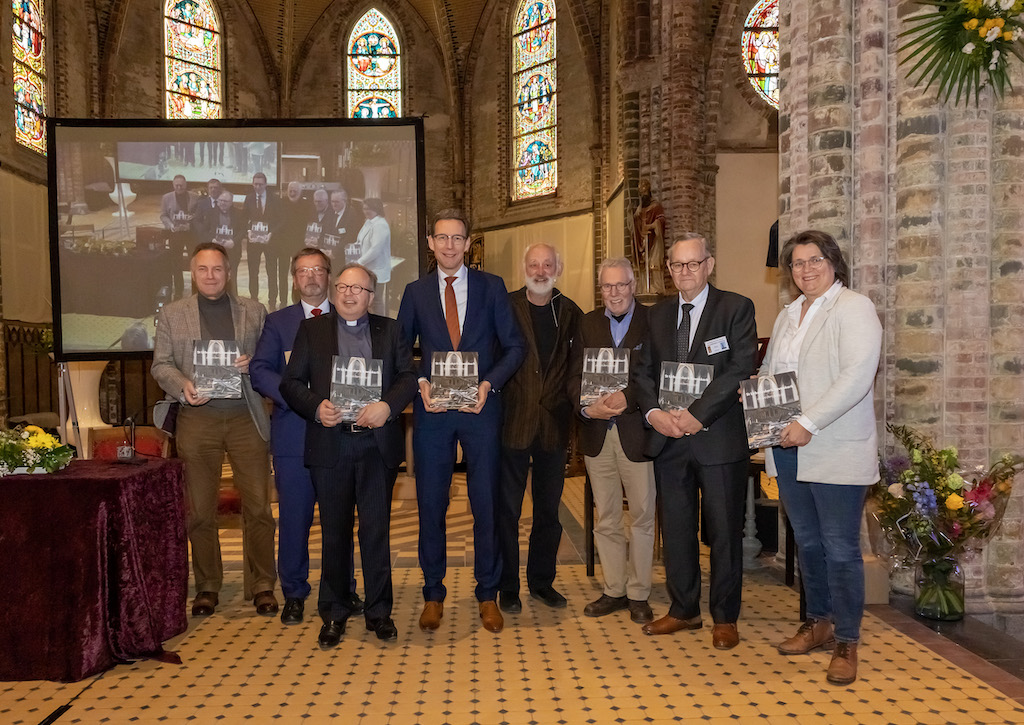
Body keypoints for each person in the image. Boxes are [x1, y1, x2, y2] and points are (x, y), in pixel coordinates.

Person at [761, 230, 882, 686]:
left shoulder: (854, 307)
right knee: (808, 543)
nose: (805, 269)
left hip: (831, 444)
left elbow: (856, 377)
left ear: (833, 262)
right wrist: (757, 395)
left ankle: (848, 640)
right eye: (796, 263)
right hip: (787, 445)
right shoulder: (790, 313)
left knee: (840, 548)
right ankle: (819, 622)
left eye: (814, 260)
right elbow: (775, 374)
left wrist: (807, 423)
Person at [398, 209, 526, 634]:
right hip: (433, 414)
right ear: (430, 243)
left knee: (485, 504)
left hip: (481, 411)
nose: (450, 245)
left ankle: (487, 593)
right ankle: (433, 593)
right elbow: (401, 350)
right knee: (431, 505)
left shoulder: (492, 288)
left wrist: (489, 384)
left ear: (469, 243)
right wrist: (420, 383)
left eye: (458, 238)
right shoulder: (415, 292)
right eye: (442, 238)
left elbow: (514, 347)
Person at [281, 263, 417, 648]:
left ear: (371, 296)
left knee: (376, 531)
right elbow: (290, 382)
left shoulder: (390, 330)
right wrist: (314, 407)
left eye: (358, 288)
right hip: (331, 444)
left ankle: (379, 612)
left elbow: (408, 377)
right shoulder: (312, 330)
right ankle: (334, 613)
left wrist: (387, 407)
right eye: (342, 286)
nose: (349, 293)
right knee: (334, 533)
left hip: (376, 445)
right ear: (334, 289)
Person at [633, 234, 756, 649]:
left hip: (717, 438)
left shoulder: (736, 307)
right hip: (669, 439)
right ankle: (684, 609)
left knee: (723, 532)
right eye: (676, 265)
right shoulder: (656, 314)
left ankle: (725, 617)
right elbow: (643, 371)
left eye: (692, 263)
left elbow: (740, 367)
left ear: (709, 264)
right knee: (678, 531)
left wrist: (696, 415)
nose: (684, 272)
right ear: (668, 269)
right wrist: (654, 414)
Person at [151, 242, 278, 618]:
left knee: (258, 507)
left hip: (246, 418)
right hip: (197, 419)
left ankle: (263, 584)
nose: (210, 275)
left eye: (217, 269)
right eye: (203, 269)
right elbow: (161, 365)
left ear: (229, 271)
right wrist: (181, 385)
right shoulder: (173, 314)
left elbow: (269, 362)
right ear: (193, 273)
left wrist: (253, 364)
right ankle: (207, 585)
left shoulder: (254, 312)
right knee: (201, 511)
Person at [251, 248, 363, 625]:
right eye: (303, 271)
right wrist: (301, 401)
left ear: (329, 276)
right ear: (294, 278)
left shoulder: (348, 317)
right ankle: (295, 592)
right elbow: (260, 370)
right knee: (295, 520)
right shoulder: (278, 322)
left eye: (318, 270)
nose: (311, 277)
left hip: (340, 437)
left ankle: (343, 588)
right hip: (294, 436)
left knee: (339, 519)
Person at [496, 244, 582, 613]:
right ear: (524, 268)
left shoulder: (571, 311)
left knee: (549, 511)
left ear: (559, 267)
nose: (541, 270)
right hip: (512, 422)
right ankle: (508, 586)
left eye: (548, 264)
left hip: (553, 425)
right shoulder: (506, 305)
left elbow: (578, 366)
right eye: (534, 264)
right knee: (507, 512)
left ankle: (542, 582)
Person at [575, 257, 656, 624]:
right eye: (607, 286)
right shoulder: (588, 323)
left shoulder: (653, 321)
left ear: (633, 284)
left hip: (636, 433)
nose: (614, 293)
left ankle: (639, 593)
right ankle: (614, 589)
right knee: (606, 517)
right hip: (597, 434)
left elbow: (656, 374)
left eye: (621, 285)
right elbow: (572, 375)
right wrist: (586, 409)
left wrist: (631, 397)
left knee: (641, 515)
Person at [242, 172, 283, 309]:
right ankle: (253, 298)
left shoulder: (275, 199)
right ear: (253, 184)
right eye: (255, 184)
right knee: (253, 271)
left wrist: (271, 233)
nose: (258, 187)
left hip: (270, 241)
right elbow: (244, 218)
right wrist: (248, 231)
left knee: (271, 270)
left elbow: (281, 220)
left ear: (266, 184)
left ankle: (272, 300)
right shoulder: (248, 198)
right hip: (253, 242)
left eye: (260, 184)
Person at [160, 174, 199, 299]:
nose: (179, 187)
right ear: (173, 185)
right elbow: (163, 215)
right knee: (176, 263)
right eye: (176, 185)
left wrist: (192, 219)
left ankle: (196, 289)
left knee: (194, 262)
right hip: (175, 234)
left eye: (181, 185)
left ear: (186, 184)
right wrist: (170, 225)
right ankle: (178, 290)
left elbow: (198, 214)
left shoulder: (195, 197)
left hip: (191, 234)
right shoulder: (166, 198)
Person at [355, 198, 391, 315]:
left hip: (376, 269)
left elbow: (376, 249)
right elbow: (360, 240)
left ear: (376, 209)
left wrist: (360, 261)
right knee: (368, 299)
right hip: (367, 268)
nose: (365, 211)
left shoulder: (380, 224)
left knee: (376, 300)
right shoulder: (368, 222)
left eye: (368, 209)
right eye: (364, 208)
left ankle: (381, 325)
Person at [195, 191, 245, 275]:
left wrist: (234, 242)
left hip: (233, 250)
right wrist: (212, 240)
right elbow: (204, 230)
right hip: (215, 250)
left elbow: (243, 230)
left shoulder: (239, 213)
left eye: (225, 201)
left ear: (231, 203)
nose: (222, 203)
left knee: (232, 277)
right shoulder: (210, 212)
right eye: (221, 200)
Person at [631, 179, 666, 296]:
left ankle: (655, 287)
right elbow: (635, 225)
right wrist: (634, 220)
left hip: (654, 240)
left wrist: (651, 226)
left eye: (645, 193)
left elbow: (661, 220)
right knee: (642, 264)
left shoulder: (656, 206)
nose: (643, 196)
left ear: (649, 192)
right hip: (642, 240)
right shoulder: (639, 210)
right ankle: (644, 288)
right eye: (641, 194)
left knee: (653, 263)